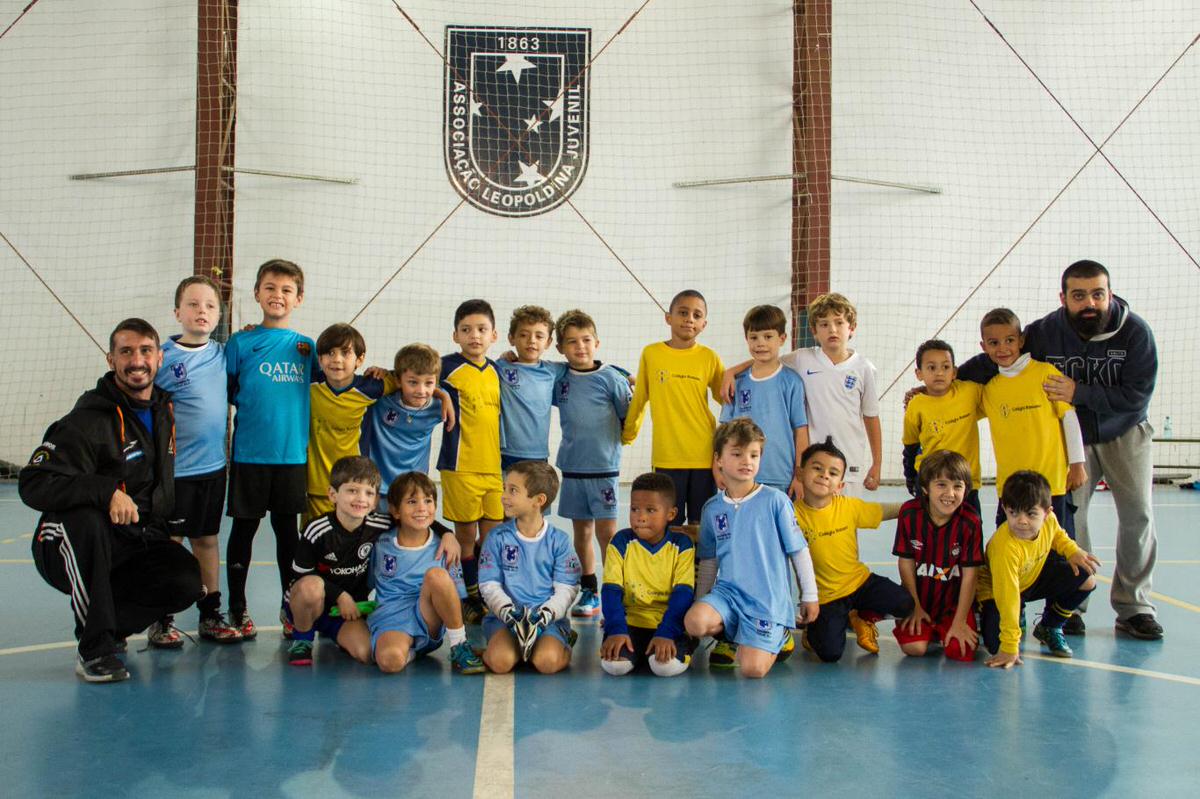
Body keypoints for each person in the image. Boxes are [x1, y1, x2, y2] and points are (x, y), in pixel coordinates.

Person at [960, 260, 1161, 640]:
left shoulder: (1136, 333)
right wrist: (942, 381)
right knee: (1071, 522)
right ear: (1063, 297)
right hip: (1072, 439)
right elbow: (997, 355)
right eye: (1079, 295)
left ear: (1110, 294)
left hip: (1125, 430)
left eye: (1097, 294)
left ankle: (1134, 607)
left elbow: (1137, 396)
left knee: (1138, 516)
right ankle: (1071, 609)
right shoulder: (1045, 332)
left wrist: (1079, 392)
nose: (1090, 303)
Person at [21, 318, 203, 682]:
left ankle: (109, 625)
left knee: (184, 580)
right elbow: (33, 482)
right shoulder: (87, 419)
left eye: (145, 351)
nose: (137, 361)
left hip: (131, 538)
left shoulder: (162, 410)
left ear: (159, 358)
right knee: (88, 521)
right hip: (66, 543)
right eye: (126, 352)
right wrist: (106, 492)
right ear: (111, 359)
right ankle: (94, 649)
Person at [223, 259, 318, 639]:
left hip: (292, 456)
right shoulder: (240, 342)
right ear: (257, 294)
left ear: (299, 298)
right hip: (250, 455)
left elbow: (333, 383)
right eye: (270, 288)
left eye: (286, 290)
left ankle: (289, 606)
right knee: (243, 531)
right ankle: (237, 608)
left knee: (287, 534)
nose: (278, 295)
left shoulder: (307, 347)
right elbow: (228, 390)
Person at [683, 419, 820, 678]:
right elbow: (709, 561)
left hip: (766, 600)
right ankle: (737, 632)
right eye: (737, 454)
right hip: (729, 595)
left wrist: (810, 595)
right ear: (718, 459)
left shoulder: (775, 501)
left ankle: (780, 632)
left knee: (752, 670)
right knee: (695, 622)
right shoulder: (712, 508)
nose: (747, 461)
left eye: (754, 455)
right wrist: (702, 600)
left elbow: (798, 551)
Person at [152, 276, 241, 644]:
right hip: (175, 473)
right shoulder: (161, 357)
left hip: (213, 469)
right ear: (178, 312)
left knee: (206, 540)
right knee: (170, 543)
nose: (201, 311)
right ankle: (161, 617)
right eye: (192, 304)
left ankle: (210, 614)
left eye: (209, 305)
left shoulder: (223, 355)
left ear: (218, 315)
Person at [723, 292, 881, 497]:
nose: (832, 329)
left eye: (839, 322)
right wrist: (731, 371)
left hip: (849, 462)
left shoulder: (864, 368)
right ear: (814, 330)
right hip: (812, 463)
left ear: (852, 327)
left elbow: (871, 417)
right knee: (809, 516)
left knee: (845, 515)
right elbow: (767, 359)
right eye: (824, 324)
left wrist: (877, 463)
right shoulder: (802, 358)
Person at [792, 437, 911, 663]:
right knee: (830, 653)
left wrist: (915, 506)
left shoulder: (848, 506)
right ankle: (813, 629)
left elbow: (883, 511)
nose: (824, 475)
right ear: (799, 473)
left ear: (840, 485)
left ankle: (863, 616)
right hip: (825, 597)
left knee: (905, 603)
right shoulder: (791, 516)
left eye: (833, 472)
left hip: (859, 582)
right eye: (817, 468)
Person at [976, 308, 1087, 535]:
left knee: (1058, 551)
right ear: (983, 346)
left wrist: (1077, 465)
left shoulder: (1045, 373)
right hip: (1011, 490)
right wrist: (925, 392)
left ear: (1021, 341)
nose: (1002, 348)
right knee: (1010, 550)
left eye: (1009, 340)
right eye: (994, 343)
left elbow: (1069, 417)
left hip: (1052, 486)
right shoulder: (989, 390)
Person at [552, 309, 632, 618]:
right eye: (572, 342)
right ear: (560, 348)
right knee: (582, 532)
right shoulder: (560, 378)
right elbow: (536, 371)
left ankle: (614, 591)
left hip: (603, 468)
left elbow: (627, 416)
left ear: (597, 343)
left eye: (586, 340)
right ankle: (590, 589)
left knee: (606, 534)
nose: (580, 347)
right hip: (573, 468)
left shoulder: (611, 378)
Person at [977, 470, 1101, 667]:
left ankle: (1050, 626)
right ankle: (980, 615)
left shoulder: (1049, 521)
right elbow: (1007, 597)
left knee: (1086, 577)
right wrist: (1009, 646)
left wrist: (1073, 551)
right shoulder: (1005, 548)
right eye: (1013, 513)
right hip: (998, 591)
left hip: (1029, 578)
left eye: (1031, 514)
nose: (1022, 521)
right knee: (996, 645)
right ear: (1005, 509)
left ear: (1047, 513)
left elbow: (1058, 535)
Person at [623, 289, 725, 525]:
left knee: (702, 524)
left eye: (697, 315)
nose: (689, 319)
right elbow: (640, 397)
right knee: (670, 524)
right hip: (667, 456)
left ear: (704, 324)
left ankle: (700, 553)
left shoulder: (709, 357)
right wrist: (628, 433)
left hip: (703, 456)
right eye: (683, 312)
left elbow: (729, 400)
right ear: (668, 318)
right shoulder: (651, 353)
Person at [369, 471, 484, 675]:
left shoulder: (447, 547)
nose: (422, 508)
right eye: (412, 502)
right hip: (392, 616)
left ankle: (459, 644)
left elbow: (455, 599)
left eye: (428, 501)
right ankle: (411, 651)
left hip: (428, 615)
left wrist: (448, 534)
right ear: (395, 510)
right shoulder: (380, 543)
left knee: (436, 575)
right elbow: (367, 582)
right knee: (390, 662)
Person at [285, 456, 390, 666]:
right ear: (333, 494)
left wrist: (447, 534)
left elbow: (413, 520)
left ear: (376, 500)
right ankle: (302, 638)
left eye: (369, 493)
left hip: (346, 611)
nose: (361, 499)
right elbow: (301, 574)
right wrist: (341, 596)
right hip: (312, 602)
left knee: (366, 652)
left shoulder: (379, 524)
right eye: (352, 490)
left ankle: (333, 631)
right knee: (310, 588)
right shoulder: (317, 529)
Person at [477, 461, 581, 674]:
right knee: (500, 663)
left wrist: (545, 615)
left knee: (546, 663)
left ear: (538, 500)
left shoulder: (559, 541)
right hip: (505, 620)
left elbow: (567, 589)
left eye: (513, 490)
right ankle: (509, 648)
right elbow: (489, 584)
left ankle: (560, 643)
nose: (504, 496)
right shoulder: (497, 537)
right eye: (505, 488)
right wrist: (508, 612)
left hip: (546, 621)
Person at [438, 299, 504, 624]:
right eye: (466, 330)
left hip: (493, 468)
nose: (474, 336)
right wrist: (440, 394)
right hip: (459, 467)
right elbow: (409, 374)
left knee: (490, 538)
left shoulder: (498, 370)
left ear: (494, 335)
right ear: (455, 335)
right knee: (465, 538)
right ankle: (469, 596)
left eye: (481, 329)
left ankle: (482, 587)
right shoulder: (445, 367)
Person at [600, 472, 695, 677]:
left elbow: (683, 594)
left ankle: (684, 644)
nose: (640, 517)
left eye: (650, 510)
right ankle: (637, 651)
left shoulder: (682, 545)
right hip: (630, 622)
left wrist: (667, 632)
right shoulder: (621, 541)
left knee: (664, 667)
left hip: (669, 622)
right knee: (615, 666)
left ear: (671, 514)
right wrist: (616, 629)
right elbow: (610, 590)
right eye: (634, 509)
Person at [892, 450, 984, 661]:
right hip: (920, 599)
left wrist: (960, 620)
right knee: (915, 648)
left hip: (953, 604)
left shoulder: (970, 522)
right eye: (941, 484)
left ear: (966, 490)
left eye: (958, 486)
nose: (950, 493)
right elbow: (905, 562)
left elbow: (970, 576)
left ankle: (962, 622)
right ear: (925, 488)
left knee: (960, 652)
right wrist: (915, 606)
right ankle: (928, 627)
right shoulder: (909, 513)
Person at [305, 323, 395, 523]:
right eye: (330, 353)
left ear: (360, 359)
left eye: (345, 353)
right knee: (316, 536)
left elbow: (409, 377)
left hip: (355, 484)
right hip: (317, 484)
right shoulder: (309, 383)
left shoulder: (371, 387)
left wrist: (386, 371)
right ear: (319, 359)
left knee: (352, 536)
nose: (337, 359)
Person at [718, 304, 809, 497]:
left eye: (768, 337)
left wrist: (799, 475)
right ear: (746, 339)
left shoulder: (792, 381)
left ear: (782, 339)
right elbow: (724, 430)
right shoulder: (736, 382)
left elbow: (801, 431)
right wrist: (717, 467)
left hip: (780, 475)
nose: (760, 343)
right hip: (740, 474)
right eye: (754, 337)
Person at [901, 339, 984, 517]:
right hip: (931, 483)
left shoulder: (970, 392)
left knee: (971, 528)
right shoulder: (916, 405)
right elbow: (910, 446)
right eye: (931, 367)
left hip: (967, 483)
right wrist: (911, 477)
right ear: (919, 373)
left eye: (945, 367)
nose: (939, 373)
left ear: (954, 372)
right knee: (930, 530)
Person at [361, 344, 447, 487]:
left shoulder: (439, 406)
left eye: (428, 383)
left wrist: (445, 397)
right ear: (398, 381)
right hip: (375, 484)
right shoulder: (381, 398)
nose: (421, 390)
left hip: (413, 487)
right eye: (413, 382)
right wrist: (382, 372)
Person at [497, 305, 563, 470]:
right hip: (506, 452)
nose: (531, 340)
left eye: (539, 336)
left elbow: (585, 368)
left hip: (538, 454)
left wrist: (621, 375)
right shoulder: (501, 367)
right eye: (523, 335)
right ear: (511, 338)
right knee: (507, 488)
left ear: (548, 342)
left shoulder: (553, 370)